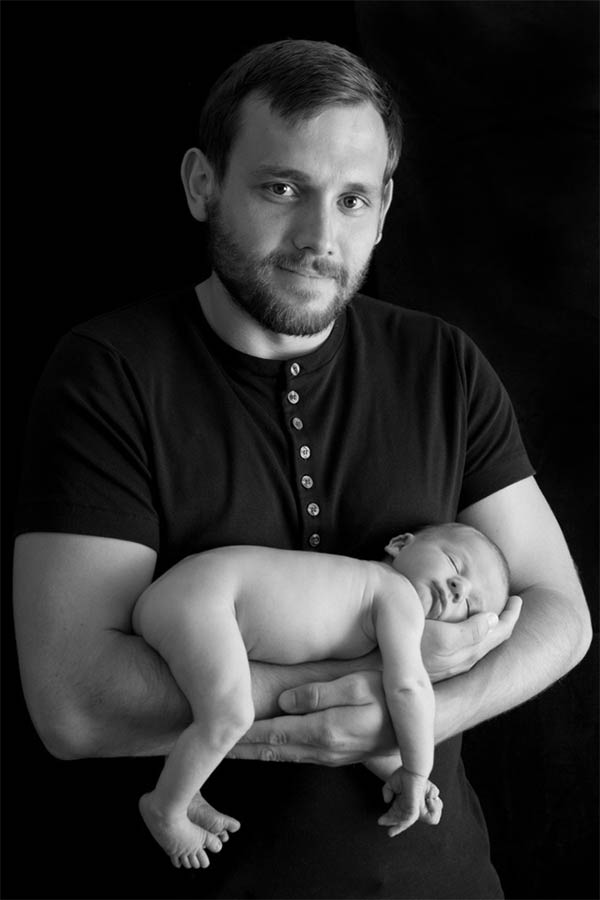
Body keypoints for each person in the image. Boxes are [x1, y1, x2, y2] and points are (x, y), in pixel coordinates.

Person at [12, 39, 590, 899]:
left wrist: (410, 718)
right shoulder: (109, 372)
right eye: (283, 188)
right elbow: (75, 703)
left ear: (385, 209)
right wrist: (363, 695)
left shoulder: (443, 365)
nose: (322, 236)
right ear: (203, 183)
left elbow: (561, 615)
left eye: (353, 199)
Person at [134, 522, 509, 869]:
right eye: (454, 562)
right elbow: (409, 689)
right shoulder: (397, 595)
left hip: (188, 594)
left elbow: (347, 709)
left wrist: (393, 769)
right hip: (207, 597)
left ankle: (184, 789)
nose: (459, 587)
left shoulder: (357, 604)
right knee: (230, 714)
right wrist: (416, 770)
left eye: (471, 607)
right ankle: (165, 807)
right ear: (399, 545)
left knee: (216, 701)